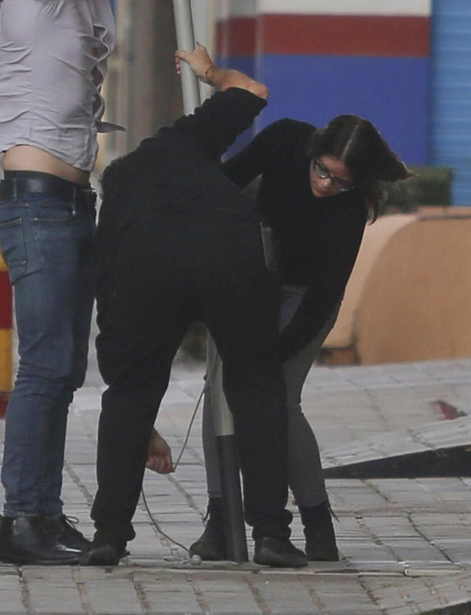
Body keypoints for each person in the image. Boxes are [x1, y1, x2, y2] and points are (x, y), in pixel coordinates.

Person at [0, 0, 158, 566]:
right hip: (35, 201)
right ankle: (22, 520)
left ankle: (45, 516)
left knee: (64, 368)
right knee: (46, 367)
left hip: (68, 204)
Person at [82, 45, 309, 569]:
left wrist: (139, 421)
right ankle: (271, 535)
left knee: (130, 393)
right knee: (256, 383)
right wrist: (209, 72)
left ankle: (109, 536)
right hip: (232, 253)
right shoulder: (185, 138)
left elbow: (110, 310)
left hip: (148, 260)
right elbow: (252, 92)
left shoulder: (115, 203)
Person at [182, 110, 410, 562]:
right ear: (313, 151)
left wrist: (270, 356)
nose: (326, 184)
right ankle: (220, 517)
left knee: (277, 397)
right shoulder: (285, 138)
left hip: (306, 299)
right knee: (219, 391)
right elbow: (228, 180)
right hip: (254, 280)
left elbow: (322, 300)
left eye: (340, 180)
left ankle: (316, 523)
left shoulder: (349, 211)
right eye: (322, 170)